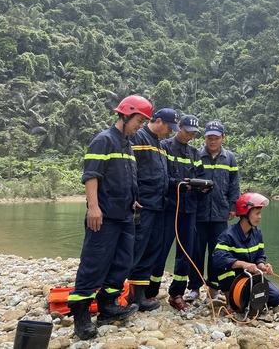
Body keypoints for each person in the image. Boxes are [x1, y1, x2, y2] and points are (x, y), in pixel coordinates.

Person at [67, 95, 152, 340]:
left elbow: (126, 178)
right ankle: (81, 317)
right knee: (94, 263)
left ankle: (108, 305)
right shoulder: (103, 140)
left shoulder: (127, 144)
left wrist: (133, 199)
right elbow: (91, 175)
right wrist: (93, 207)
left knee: (123, 261)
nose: (140, 125)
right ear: (125, 116)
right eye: (138, 120)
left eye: (143, 121)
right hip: (103, 216)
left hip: (125, 214)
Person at [148, 114, 207, 312]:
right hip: (168, 208)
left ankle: (177, 294)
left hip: (189, 209)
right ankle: (150, 291)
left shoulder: (194, 153)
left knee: (185, 253)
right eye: (187, 131)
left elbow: (200, 176)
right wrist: (179, 184)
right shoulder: (164, 147)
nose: (190, 136)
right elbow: (161, 176)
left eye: (193, 133)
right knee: (160, 249)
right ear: (179, 127)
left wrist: (203, 187)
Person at [125, 108, 179, 312]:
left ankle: (140, 295)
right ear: (158, 121)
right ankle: (124, 293)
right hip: (143, 205)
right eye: (168, 127)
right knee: (137, 247)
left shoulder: (160, 145)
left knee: (151, 249)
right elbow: (130, 170)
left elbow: (162, 176)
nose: (170, 132)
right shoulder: (138, 137)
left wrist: (179, 183)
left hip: (159, 205)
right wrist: (133, 197)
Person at [184, 120, 240, 302]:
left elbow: (234, 185)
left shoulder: (229, 158)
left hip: (220, 213)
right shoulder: (196, 155)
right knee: (196, 252)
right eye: (209, 138)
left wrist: (233, 206)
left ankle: (214, 289)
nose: (212, 141)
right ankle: (194, 288)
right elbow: (189, 181)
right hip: (198, 213)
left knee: (218, 253)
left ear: (223, 138)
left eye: (216, 138)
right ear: (205, 138)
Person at [211, 192, 279, 313]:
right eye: (257, 214)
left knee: (277, 297)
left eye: (260, 214)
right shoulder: (228, 235)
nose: (259, 217)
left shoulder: (257, 233)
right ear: (245, 214)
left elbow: (260, 256)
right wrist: (243, 264)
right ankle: (231, 300)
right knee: (242, 299)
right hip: (233, 280)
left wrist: (262, 265)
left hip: (251, 278)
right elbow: (219, 260)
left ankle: (245, 301)